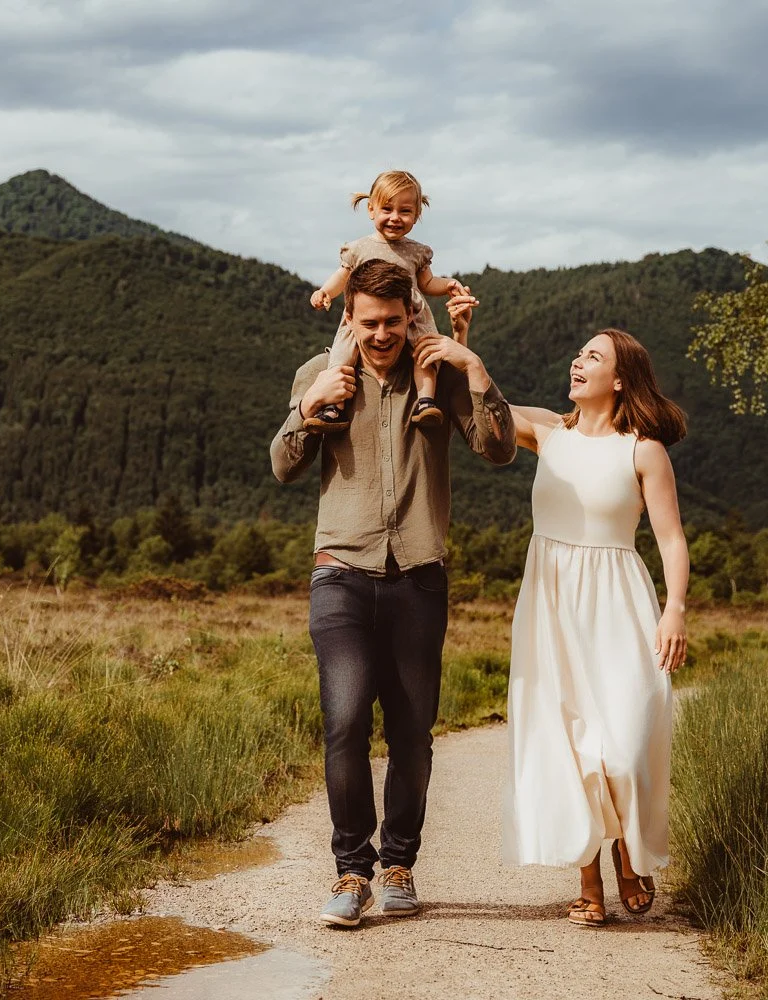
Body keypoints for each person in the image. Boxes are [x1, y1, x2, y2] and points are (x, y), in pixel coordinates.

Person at [271, 258, 515, 928]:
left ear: (413, 316)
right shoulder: (319, 373)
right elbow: (283, 465)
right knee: (346, 720)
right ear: (349, 319)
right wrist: (310, 404)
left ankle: (399, 863)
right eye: (369, 322)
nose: (382, 334)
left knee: (412, 732)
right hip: (340, 572)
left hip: (418, 575)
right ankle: (352, 873)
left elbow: (497, 450)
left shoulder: (436, 371)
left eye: (393, 321)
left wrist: (478, 371)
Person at [501, 328, 690, 927]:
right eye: (578, 353)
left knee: (627, 743)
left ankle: (629, 856)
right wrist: (459, 337)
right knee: (566, 740)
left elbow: (671, 538)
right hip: (551, 601)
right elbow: (480, 403)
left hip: (619, 603)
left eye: (594, 357)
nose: (577, 362)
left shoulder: (643, 451)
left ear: (620, 379)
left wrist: (675, 607)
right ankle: (589, 880)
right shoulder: (547, 432)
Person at [305, 170, 470, 432]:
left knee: (424, 355)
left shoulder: (416, 251)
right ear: (371, 210)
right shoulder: (358, 248)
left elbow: (426, 283)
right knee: (342, 357)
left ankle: (426, 401)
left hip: (411, 314)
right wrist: (325, 292)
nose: (395, 218)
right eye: (387, 209)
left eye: (405, 211)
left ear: (417, 215)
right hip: (367, 317)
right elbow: (342, 276)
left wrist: (447, 284)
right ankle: (333, 408)